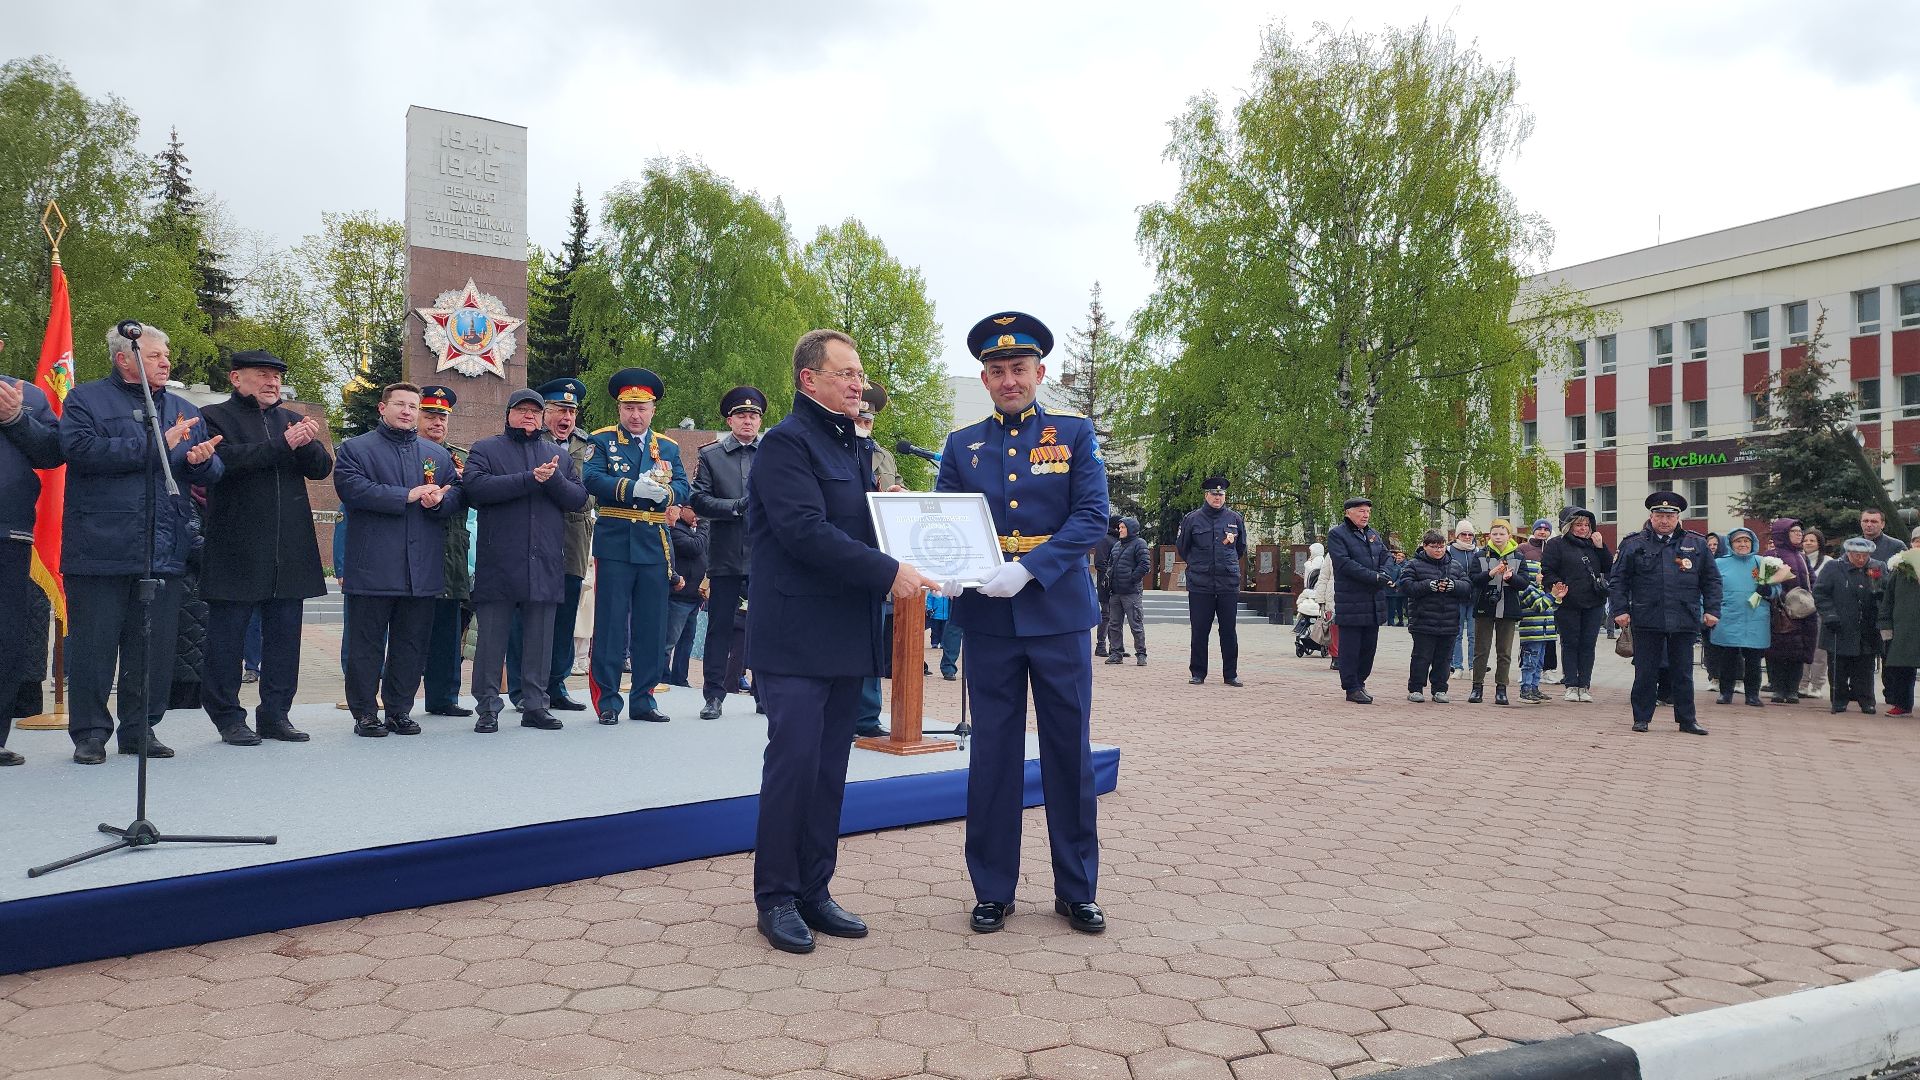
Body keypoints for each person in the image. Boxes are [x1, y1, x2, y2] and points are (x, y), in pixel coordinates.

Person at [748, 328, 938, 954]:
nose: (860, 384)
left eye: (860, 375)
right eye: (847, 374)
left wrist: (896, 521)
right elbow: (804, 531)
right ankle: (776, 897)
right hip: (795, 638)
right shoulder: (785, 444)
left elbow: (852, 526)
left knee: (830, 770)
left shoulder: (853, 445)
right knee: (794, 766)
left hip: (843, 634)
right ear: (810, 379)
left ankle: (814, 889)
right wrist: (889, 571)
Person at [938, 310, 1110, 936]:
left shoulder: (1074, 434)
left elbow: (1091, 516)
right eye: (997, 370)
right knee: (993, 755)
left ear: (1039, 372)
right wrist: (947, 566)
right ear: (984, 379)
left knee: (1068, 751)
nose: (1008, 379)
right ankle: (992, 888)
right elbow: (945, 517)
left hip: (1057, 613)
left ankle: (1077, 889)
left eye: (1018, 368)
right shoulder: (962, 444)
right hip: (989, 617)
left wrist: (1031, 569)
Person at [61, 323, 223, 763]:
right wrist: (154, 444)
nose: (165, 362)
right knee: (94, 648)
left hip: (163, 545)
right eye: (154, 355)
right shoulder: (85, 400)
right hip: (100, 545)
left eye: (166, 354)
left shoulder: (182, 408)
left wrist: (202, 461)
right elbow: (79, 450)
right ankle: (90, 734)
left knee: (152, 648)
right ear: (124, 359)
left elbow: (210, 473)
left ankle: (140, 729)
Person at [197, 350, 333, 747]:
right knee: (227, 640)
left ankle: (276, 714)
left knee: (285, 640)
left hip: (288, 549)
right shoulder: (214, 417)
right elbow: (222, 462)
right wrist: (282, 445)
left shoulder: (289, 419)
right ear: (236, 378)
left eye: (276, 376)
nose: (272, 382)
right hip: (236, 547)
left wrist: (305, 443)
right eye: (262, 374)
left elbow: (321, 468)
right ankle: (227, 717)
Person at [333, 382, 462, 738]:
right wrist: (406, 495)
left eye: (412, 406)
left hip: (420, 568)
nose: (407, 411)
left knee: (411, 645)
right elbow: (352, 489)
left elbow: (457, 494)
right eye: (400, 404)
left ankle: (399, 710)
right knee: (366, 646)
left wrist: (440, 501)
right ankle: (365, 713)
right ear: (382, 408)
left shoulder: (435, 454)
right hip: (373, 567)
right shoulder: (356, 449)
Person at [464, 389, 589, 733]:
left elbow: (578, 498)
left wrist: (554, 479)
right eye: (522, 410)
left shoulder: (557, 456)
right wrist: (529, 479)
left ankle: (535, 704)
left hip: (544, 560)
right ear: (508, 414)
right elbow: (475, 489)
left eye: (535, 411)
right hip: (500, 561)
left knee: (540, 640)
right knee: (492, 641)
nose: (529, 416)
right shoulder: (486, 449)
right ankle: (488, 707)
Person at [583, 369, 687, 725]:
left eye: (642, 408)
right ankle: (608, 701)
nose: (635, 415)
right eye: (629, 407)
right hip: (616, 540)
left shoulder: (667, 447)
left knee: (651, 626)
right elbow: (591, 478)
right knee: (611, 625)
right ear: (619, 408)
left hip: (654, 543)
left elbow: (684, 486)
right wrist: (631, 488)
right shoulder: (602, 440)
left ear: (653, 410)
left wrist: (666, 494)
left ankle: (644, 698)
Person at [507, 378, 596, 712]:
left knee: (565, 615)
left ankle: (556, 685)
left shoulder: (587, 446)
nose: (566, 417)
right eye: (560, 410)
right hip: (533, 536)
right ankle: (520, 688)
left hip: (573, 539)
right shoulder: (529, 441)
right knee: (525, 616)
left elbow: (590, 493)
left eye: (571, 411)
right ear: (545, 413)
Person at [1609, 491, 1720, 735]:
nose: (1664, 520)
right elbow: (1618, 580)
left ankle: (1687, 720)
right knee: (1645, 672)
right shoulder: (1634, 543)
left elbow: (1711, 579)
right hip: (1647, 616)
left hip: (1683, 616)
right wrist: (1620, 609)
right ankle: (1641, 718)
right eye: (1659, 515)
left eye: (1670, 516)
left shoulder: (1696, 543)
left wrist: (1712, 609)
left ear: (1678, 518)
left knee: (1683, 673)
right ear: (1651, 516)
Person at [0, 358, 65, 767]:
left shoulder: (27, 395)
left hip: (9, 532)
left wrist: (15, 418)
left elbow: (53, 452)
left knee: (6, 639)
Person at [692, 385, 765, 719]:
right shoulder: (711, 455)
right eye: (741, 415)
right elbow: (698, 500)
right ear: (729, 420)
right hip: (726, 553)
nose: (748, 421)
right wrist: (735, 506)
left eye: (753, 416)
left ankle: (764, 693)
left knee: (764, 626)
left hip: (764, 553)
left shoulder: (772, 453)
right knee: (720, 626)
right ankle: (714, 695)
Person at [417, 386, 474, 718]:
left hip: (453, 552)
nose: (437, 422)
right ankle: (399, 699)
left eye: (442, 417)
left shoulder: (459, 458)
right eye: (429, 416)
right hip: (417, 551)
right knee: (410, 631)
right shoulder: (407, 452)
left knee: (448, 630)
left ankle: (444, 697)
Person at [853, 384, 904, 739]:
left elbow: (895, 486)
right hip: (844, 551)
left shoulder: (883, 456)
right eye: (859, 418)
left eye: (868, 420)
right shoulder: (831, 450)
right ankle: (840, 712)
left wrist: (899, 494)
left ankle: (867, 716)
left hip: (878, 554)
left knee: (873, 635)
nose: (864, 424)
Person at [1177, 477, 1246, 686]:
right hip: (1201, 583)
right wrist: (1199, 564)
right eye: (1214, 494)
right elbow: (1183, 548)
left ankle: (1230, 674)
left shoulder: (1235, 519)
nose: (1218, 498)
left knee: (1228, 631)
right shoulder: (1192, 519)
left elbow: (1240, 548)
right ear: (1206, 495)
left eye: (1221, 494)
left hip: (1227, 583)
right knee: (1199, 630)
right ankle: (1198, 672)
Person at [1542, 508, 1611, 703]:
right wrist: (1557, 586)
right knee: (1570, 643)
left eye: (1586, 525)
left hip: (1594, 602)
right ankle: (1571, 684)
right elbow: (1547, 570)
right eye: (1578, 525)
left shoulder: (1594, 544)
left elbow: (1609, 567)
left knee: (1588, 644)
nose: (1583, 528)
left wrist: (1600, 547)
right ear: (1568, 526)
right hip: (1568, 602)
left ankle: (1584, 685)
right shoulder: (1556, 544)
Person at [1327, 496, 1390, 704]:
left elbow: (1386, 557)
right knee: (1351, 649)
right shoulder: (1338, 534)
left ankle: (1360, 682)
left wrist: (1385, 573)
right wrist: (1374, 577)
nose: (1366, 515)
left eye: (1368, 511)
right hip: (1351, 601)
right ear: (1348, 512)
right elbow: (1344, 564)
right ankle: (1351, 687)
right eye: (1361, 511)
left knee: (1368, 648)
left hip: (1373, 602)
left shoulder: (1373, 534)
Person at [1816, 536, 1885, 715]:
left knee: (1865, 668)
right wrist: (1829, 614)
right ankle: (1839, 700)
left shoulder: (1877, 567)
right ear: (1848, 553)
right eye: (1856, 555)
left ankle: (1867, 701)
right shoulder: (1833, 567)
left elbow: (1885, 591)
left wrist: (1879, 598)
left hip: (1866, 627)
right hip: (1839, 625)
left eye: (1865, 556)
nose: (1861, 559)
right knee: (1838, 667)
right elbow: (1821, 593)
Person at [1398, 529, 1468, 703]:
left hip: (1449, 621)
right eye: (1434, 546)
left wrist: (1453, 585)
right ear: (1425, 546)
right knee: (1421, 657)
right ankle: (1415, 688)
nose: (1439, 550)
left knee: (1444, 659)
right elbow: (1406, 586)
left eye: (1441, 546)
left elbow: (1467, 586)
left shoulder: (1455, 565)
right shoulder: (1413, 565)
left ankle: (1440, 689)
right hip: (1423, 620)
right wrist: (1429, 585)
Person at [1711, 527, 1772, 707]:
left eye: (1746, 541)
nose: (1743, 544)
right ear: (1731, 544)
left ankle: (1752, 695)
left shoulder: (1762, 562)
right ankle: (1725, 693)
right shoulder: (1720, 563)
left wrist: (1769, 590)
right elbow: (1710, 587)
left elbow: (1776, 587)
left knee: (1754, 659)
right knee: (1728, 658)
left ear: (1753, 543)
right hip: (1729, 616)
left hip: (1756, 617)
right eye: (1738, 541)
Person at [1469, 519, 1526, 706]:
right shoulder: (1480, 555)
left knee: (1504, 652)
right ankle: (1477, 687)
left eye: (1502, 534)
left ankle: (1501, 688)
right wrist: (1490, 573)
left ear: (1509, 536)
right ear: (1490, 536)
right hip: (1484, 606)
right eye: (1495, 534)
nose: (1498, 537)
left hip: (1508, 608)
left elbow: (1524, 583)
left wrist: (1511, 578)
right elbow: (1473, 579)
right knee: (1481, 650)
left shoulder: (1518, 556)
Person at [1764, 518, 1817, 705]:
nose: (1799, 534)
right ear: (1783, 534)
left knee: (1798, 651)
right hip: (1780, 611)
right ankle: (1778, 688)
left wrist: (1811, 598)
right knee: (1777, 651)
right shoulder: (1771, 555)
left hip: (1803, 611)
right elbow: (1765, 582)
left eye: (1800, 531)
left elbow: (1811, 579)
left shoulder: (1802, 556)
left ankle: (1793, 689)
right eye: (1794, 531)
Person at [1877, 526, 1920, 716]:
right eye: (1916, 541)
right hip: (1904, 629)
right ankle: (1902, 705)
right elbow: (1888, 600)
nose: (1919, 545)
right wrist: (1886, 625)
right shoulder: (1900, 569)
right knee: (1902, 668)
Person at [665, 505, 708, 684]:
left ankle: (680, 679)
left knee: (686, 643)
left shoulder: (694, 531)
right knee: (669, 642)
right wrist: (704, 524)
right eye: (694, 510)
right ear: (682, 510)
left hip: (694, 598)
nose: (697, 515)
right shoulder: (675, 530)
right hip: (679, 597)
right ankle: (662, 677)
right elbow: (694, 547)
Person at [1102, 516, 1149, 665]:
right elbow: (1110, 564)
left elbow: (1144, 565)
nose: (1119, 530)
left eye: (1123, 527)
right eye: (1119, 527)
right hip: (1115, 592)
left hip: (1131, 592)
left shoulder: (1140, 544)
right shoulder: (1117, 545)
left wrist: (1131, 579)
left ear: (1131, 529)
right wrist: (1109, 577)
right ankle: (1116, 653)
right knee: (1114, 625)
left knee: (1136, 624)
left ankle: (1141, 654)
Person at [1515, 554, 1558, 704]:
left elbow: (1550, 607)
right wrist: (1552, 596)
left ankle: (1534, 687)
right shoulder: (1526, 589)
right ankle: (1525, 689)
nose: (1542, 576)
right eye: (1539, 573)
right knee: (1530, 662)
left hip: (1544, 634)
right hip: (1533, 633)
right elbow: (1539, 606)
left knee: (1539, 662)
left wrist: (1557, 598)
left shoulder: (1540, 590)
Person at [1800, 527, 1832, 698]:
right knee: (1802, 648)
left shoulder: (1828, 562)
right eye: (1805, 540)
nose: (1808, 543)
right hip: (1800, 611)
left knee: (1819, 650)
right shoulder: (1798, 558)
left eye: (1812, 540)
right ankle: (1802, 683)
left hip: (1819, 611)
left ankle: (1817, 685)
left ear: (1819, 543)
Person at [1447, 522, 1479, 673]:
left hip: (1474, 598)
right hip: (1456, 597)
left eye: (1470, 534)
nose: (1467, 537)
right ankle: (1457, 665)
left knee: (1473, 635)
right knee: (1456, 633)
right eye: (1463, 534)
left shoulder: (1477, 551)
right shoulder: (1449, 551)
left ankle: (1473, 666)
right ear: (1457, 536)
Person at [1699, 531, 1726, 693]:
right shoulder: (1701, 562)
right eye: (1709, 545)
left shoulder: (1726, 563)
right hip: (1705, 611)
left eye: (1715, 544)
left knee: (1728, 649)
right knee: (1710, 646)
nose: (1712, 547)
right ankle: (1714, 676)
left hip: (1724, 611)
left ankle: (1735, 678)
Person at [1092, 521, 1117, 657]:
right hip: (1105, 584)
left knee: (1114, 616)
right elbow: (1100, 562)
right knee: (1106, 614)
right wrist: (1109, 575)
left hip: (1116, 584)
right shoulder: (1104, 539)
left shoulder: (1118, 540)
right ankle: (1101, 646)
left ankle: (1115, 647)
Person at [1384, 546, 1408, 627]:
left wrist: (1395, 583)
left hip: (1395, 590)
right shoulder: (1385, 566)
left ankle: (1392, 621)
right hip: (1385, 589)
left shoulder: (1398, 567)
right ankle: (1385, 621)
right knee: (1385, 606)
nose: (1395, 558)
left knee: (1394, 607)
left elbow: (1400, 577)